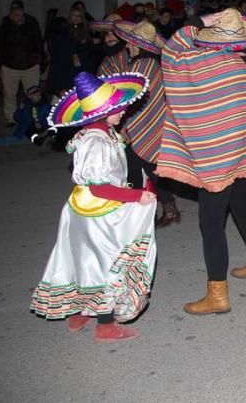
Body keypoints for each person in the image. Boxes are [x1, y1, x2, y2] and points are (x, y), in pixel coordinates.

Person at [155, 8, 246, 315]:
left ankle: (218, 294)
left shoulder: (196, 62)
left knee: (211, 223)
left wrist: (200, 21)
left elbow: (171, 49)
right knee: (243, 207)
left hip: (216, 157)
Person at [29, 71, 156, 342]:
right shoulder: (95, 141)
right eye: (117, 108)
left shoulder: (102, 132)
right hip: (96, 211)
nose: (124, 110)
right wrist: (136, 197)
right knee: (107, 263)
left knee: (84, 261)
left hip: (88, 208)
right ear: (102, 113)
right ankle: (105, 325)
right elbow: (99, 187)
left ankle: (81, 312)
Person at [113, 20, 181, 228]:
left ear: (137, 45)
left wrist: (123, 126)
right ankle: (167, 209)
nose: (127, 46)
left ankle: (139, 215)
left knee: (138, 169)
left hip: (141, 126)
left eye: (130, 43)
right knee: (150, 167)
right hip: (156, 123)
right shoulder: (155, 64)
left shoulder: (139, 67)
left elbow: (129, 102)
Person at [0, 4, 43, 126]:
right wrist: (0, 64)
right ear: (10, 16)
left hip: (30, 66)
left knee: (34, 94)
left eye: (22, 14)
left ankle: (33, 117)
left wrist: (38, 61)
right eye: (17, 15)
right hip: (10, 67)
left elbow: (39, 44)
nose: (20, 17)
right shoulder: (4, 28)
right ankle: (11, 118)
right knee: (9, 94)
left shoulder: (31, 26)